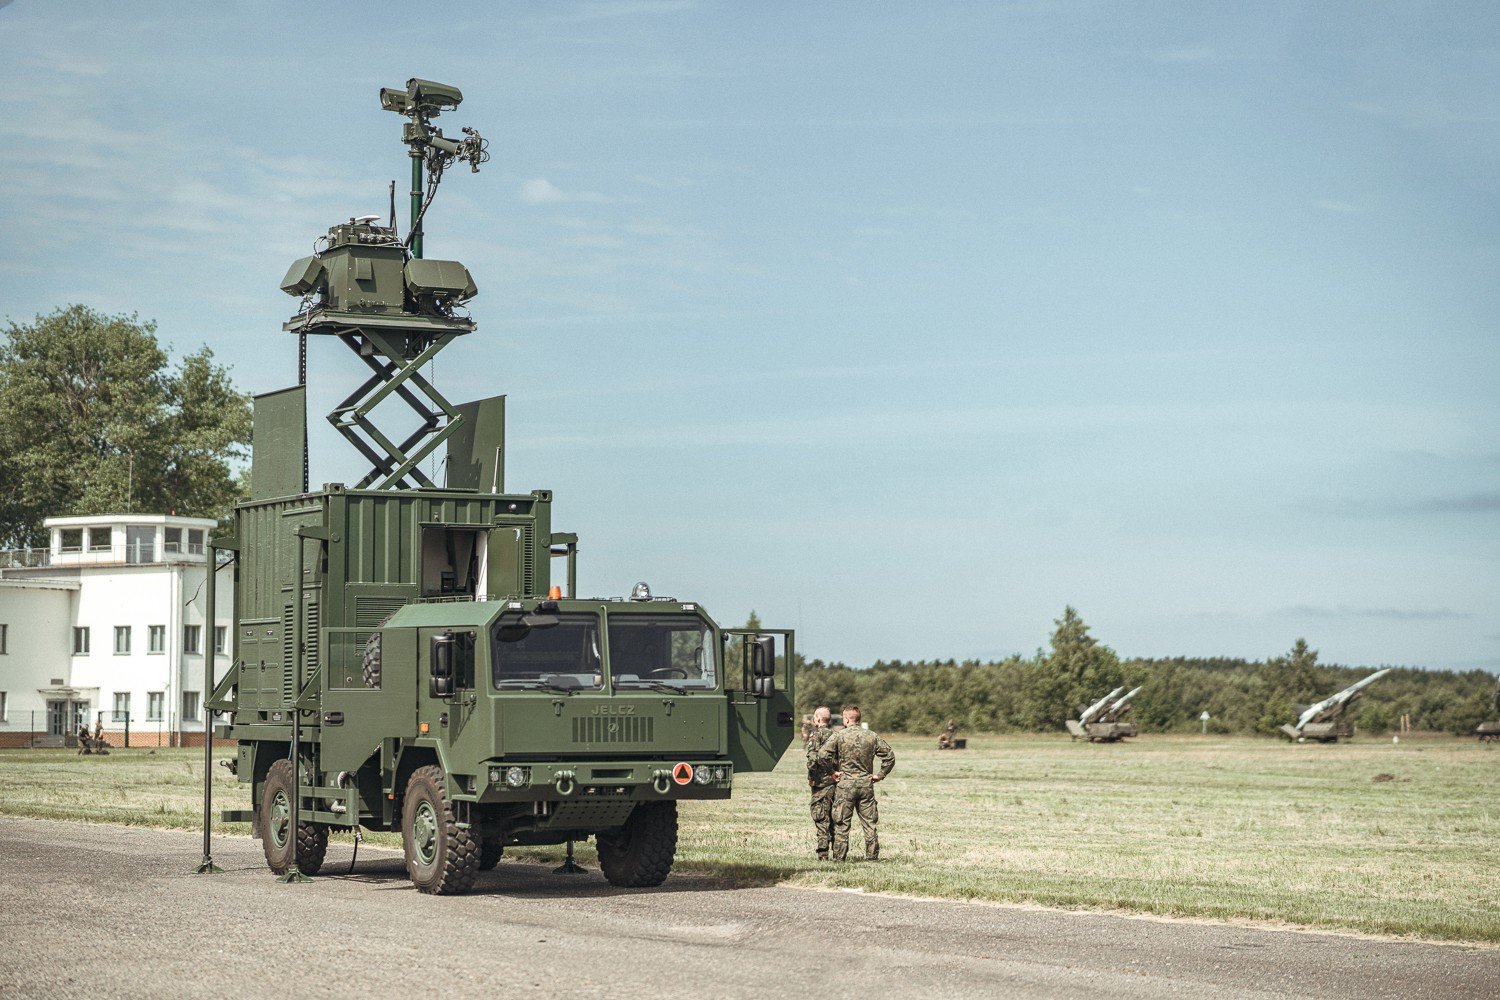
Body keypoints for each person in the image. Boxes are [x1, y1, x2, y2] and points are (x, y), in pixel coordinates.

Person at [817, 705, 895, 862]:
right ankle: (872, 858)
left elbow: (822, 754)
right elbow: (889, 756)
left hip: (845, 785)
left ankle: (839, 859)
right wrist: (880, 775)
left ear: (846, 719)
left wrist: (832, 772)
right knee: (869, 824)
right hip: (866, 785)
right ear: (859, 719)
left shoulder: (839, 735)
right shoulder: (871, 736)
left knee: (841, 824)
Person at [804, 705, 838, 860]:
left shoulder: (815, 736)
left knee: (820, 817)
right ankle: (838, 852)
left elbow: (812, 759)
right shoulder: (837, 735)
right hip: (835, 782)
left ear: (817, 718)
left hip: (820, 783)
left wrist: (811, 776)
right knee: (835, 817)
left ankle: (823, 854)